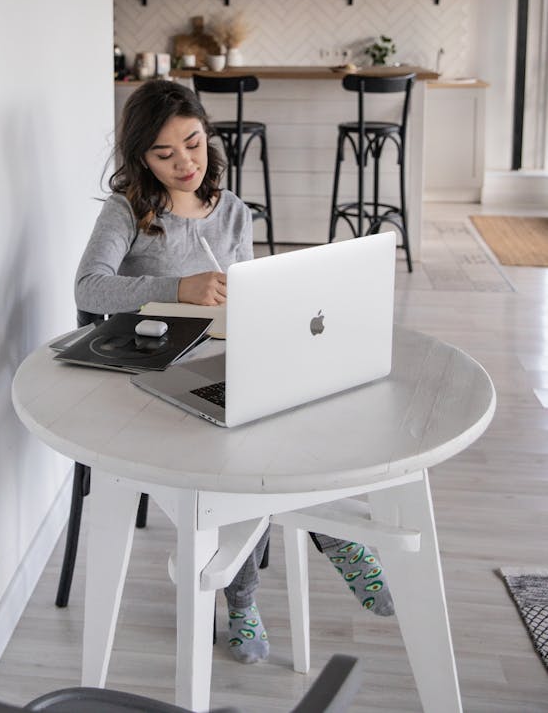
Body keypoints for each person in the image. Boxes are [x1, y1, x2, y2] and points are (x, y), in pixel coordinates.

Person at [75, 79, 393, 665]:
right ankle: (250, 599)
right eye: (164, 154)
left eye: (193, 144)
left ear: (208, 135)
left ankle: (328, 540)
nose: (184, 163)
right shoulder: (129, 211)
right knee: (249, 455)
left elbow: (250, 296)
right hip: (161, 380)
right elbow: (90, 287)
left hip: (231, 365)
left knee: (305, 411)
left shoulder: (234, 212)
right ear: (139, 157)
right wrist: (178, 288)